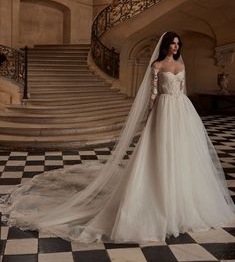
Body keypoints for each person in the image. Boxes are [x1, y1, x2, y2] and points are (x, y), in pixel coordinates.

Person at [1, 31, 235, 243]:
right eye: (172, 43)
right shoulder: (156, 65)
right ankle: (158, 193)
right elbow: (153, 94)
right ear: (165, 46)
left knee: (182, 152)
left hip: (181, 110)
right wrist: (151, 116)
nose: (175, 46)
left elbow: (182, 90)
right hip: (163, 110)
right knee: (160, 151)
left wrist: (183, 110)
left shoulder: (181, 67)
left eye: (177, 43)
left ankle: (182, 199)